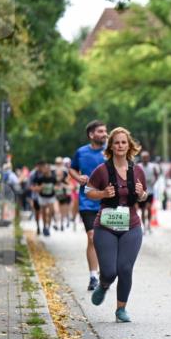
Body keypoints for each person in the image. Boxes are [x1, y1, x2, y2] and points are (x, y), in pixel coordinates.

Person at [85, 127, 148, 323]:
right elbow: (88, 191)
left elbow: (144, 196)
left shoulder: (137, 170)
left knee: (125, 268)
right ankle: (104, 285)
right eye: (117, 142)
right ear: (111, 146)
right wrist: (103, 194)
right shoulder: (102, 170)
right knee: (110, 271)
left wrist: (141, 194)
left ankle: (121, 309)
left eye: (124, 142)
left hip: (131, 225)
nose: (120, 146)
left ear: (129, 146)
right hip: (106, 226)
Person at [70, 120, 108, 291]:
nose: (105, 134)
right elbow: (72, 168)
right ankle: (93, 276)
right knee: (92, 237)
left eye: (105, 131)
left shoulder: (110, 152)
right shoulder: (81, 152)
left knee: (106, 239)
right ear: (91, 135)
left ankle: (106, 272)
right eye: (101, 131)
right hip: (87, 202)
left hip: (107, 201)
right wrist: (78, 178)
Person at [29, 160, 58, 237]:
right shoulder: (37, 176)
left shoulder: (53, 177)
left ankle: (47, 227)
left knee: (51, 211)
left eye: (46, 167)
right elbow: (32, 187)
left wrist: (56, 188)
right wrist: (39, 188)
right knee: (41, 212)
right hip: (41, 196)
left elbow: (57, 185)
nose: (44, 169)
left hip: (51, 196)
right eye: (43, 167)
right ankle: (41, 226)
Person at [137, 150, 160, 234]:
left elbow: (157, 174)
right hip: (141, 191)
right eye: (143, 158)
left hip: (150, 191)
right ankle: (144, 226)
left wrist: (154, 182)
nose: (145, 159)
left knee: (148, 208)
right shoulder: (138, 166)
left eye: (146, 158)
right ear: (141, 158)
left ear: (149, 158)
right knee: (143, 209)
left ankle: (149, 224)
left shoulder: (153, 166)